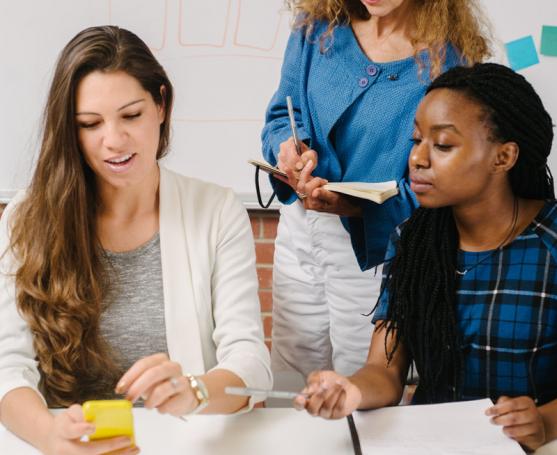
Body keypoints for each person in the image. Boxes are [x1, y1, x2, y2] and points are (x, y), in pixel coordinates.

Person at [0, 26, 271, 455]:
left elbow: (251, 365)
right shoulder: (27, 217)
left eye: (131, 115)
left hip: (176, 443)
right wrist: (51, 437)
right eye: (90, 124)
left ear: (161, 105)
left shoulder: (216, 211)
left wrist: (197, 390)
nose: (114, 140)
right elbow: (6, 368)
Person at [294, 63, 557, 452]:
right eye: (417, 140)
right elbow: (384, 373)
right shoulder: (414, 241)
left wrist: (545, 422)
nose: (417, 158)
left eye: (443, 145)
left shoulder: (549, 241)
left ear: (503, 157)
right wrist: (350, 391)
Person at [261, 0, 491, 378]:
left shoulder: (450, 61)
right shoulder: (318, 26)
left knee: (361, 381)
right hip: (300, 229)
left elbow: (446, 180)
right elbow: (282, 116)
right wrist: (290, 146)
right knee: (291, 371)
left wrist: (357, 207)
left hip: (377, 249)